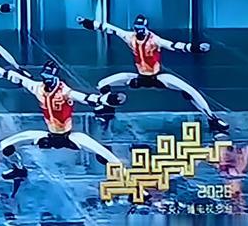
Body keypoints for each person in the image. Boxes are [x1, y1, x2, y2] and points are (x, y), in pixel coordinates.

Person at [0, 60, 125, 196]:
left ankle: (128, 185)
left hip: (69, 136)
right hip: (49, 135)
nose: (47, 81)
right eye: (45, 77)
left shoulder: (65, 92)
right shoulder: (38, 88)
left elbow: (88, 98)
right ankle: (19, 169)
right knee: (6, 145)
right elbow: (15, 77)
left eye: (49, 77)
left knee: (109, 158)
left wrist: (108, 99)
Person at [78, 14, 228, 135]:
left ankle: (213, 119)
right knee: (102, 84)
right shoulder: (129, 37)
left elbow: (174, 46)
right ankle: (107, 106)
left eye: (141, 28)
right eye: (137, 28)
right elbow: (108, 28)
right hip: (139, 77)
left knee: (190, 91)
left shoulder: (154, 40)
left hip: (158, 77)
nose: (139, 31)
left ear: (146, 27)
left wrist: (196, 48)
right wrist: (86, 22)